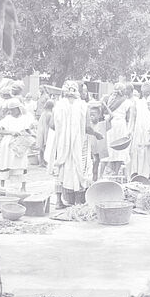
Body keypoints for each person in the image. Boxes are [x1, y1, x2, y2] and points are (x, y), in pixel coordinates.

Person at [48, 80, 90, 208]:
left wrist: (64, 132)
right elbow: (87, 127)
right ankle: (77, 202)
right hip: (79, 143)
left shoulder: (58, 106)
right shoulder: (84, 106)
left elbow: (51, 125)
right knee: (79, 168)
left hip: (61, 144)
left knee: (60, 169)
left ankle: (59, 202)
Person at [0, 97, 35, 193]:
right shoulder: (7, 119)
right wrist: (11, 132)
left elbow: (28, 130)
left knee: (22, 164)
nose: (11, 111)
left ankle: (23, 187)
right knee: (6, 163)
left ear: (18, 108)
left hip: (20, 144)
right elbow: (1, 131)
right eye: (10, 109)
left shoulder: (24, 118)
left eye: (13, 109)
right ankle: (2, 186)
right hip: (8, 144)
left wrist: (32, 136)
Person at [104, 82, 136, 178]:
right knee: (120, 147)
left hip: (110, 124)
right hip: (120, 125)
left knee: (111, 146)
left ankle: (111, 169)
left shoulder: (110, 100)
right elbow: (129, 118)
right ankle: (116, 171)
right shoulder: (127, 102)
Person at [128, 82, 150, 180]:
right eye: (145, 93)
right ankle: (137, 173)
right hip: (139, 131)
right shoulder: (137, 103)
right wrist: (130, 131)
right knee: (138, 151)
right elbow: (132, 118)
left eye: (149, 93)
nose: (147, 95)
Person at [87, 101, 108, 182]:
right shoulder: (88, 126)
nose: (91, 117)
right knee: (91, 167)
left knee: (95, 166)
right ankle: (92, 181)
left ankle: (94, 181)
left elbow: (112, 116)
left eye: (93, 115)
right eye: (90, 115)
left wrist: (105, 106)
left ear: (99, 115)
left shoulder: (102, 124)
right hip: (90, 149)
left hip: (97, 150)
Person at [35, 99, 54, 166]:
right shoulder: (49, 114)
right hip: (46, 131)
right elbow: (49, 124)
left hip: (41, 130)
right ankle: (45, 161)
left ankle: (41, 162)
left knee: (41, 146)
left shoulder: (43, 113)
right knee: (46, 146)